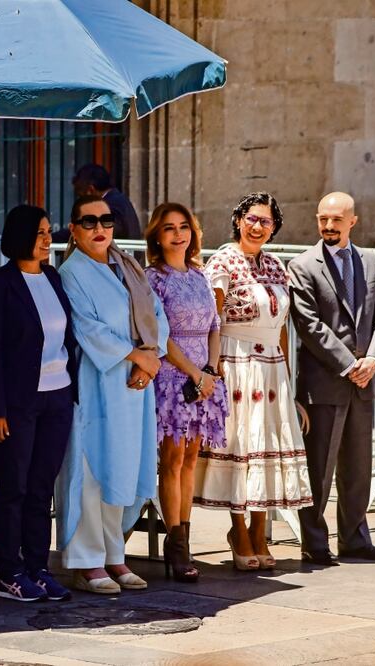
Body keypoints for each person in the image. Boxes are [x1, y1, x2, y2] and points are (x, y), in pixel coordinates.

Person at [194, 191, 314, 571]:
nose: (258, 226)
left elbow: (281, 331)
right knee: (241, 446)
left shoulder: (278, 266)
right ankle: (239, 531)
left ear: (275, 227)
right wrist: (212, 369)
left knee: (267, 448)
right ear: (238, 220)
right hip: (235, 362)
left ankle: (260, 530)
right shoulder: (224, 261)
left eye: (266, 221)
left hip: (272, 367)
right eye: (252, 219)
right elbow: (210, 322)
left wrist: (289, 387)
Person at [56, 195, 169, 594]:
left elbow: (156, 314)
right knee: (91, 470)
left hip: (136, 385)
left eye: (106, 220)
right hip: (99, 383)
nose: (99, 228)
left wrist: (150, 357)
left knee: (126, 466)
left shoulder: (127, 266)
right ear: (73, 228)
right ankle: (86, 561)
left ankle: (115, 555)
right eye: (88, 222)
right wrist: (136, 355)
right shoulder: (71, 273)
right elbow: (87, 328)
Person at [0, 205, 79, 602]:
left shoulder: (53, 277)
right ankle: (10, 571)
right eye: (39, 232)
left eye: (47, 230)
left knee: (41, 489)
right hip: (18, 402)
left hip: (58, 396)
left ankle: (38, 567)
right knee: (13, 488)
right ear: (20, 235)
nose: (46, 238)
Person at [289, 192, 375, 565]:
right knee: (319, 467)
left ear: (353, 221)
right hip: (325, 382)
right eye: (323, 219)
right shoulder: (303, 266)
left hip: (365, 383)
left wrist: (374, 361)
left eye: (336, 220)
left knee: (358, 468)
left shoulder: (369, 261)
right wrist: (350, 364)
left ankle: (355, 539)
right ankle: (314, 542)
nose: (329, 226)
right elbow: (309, 325)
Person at [143, 203, 228, 582]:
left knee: (193, 458)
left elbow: (215, 324)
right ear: (157, 237)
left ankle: (186, 536)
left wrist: (210, 369)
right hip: (174, 375)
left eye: (184, 227)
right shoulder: (153, 279)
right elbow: (159, 337)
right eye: (169, 229)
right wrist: (194, 372)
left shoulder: (200, 274)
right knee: (172, 459)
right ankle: (175, 545)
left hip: (204, 376)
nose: (178, 235)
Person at [72, 164, 141, 239]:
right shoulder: (117, 199)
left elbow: (101, 231)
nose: (80, 202)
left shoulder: (111, 205)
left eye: (81, 196)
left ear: (91, 190)